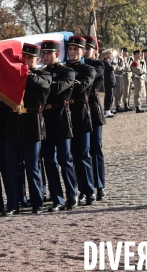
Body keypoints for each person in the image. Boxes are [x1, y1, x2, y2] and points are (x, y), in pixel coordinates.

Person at [3, 43, 51, 216]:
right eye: (24, 56)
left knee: (32, 167)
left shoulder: (43, 74)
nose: (26, 60)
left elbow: (42, 85)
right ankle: (13, 204)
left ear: (37, 59)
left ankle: (37, 203)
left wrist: (24, 71)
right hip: (13, 123)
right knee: (12, 167)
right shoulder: (15, 75)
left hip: (32, 123)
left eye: (30, 57)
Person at [41, 40, 78, 211]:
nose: (45, 56)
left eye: (48, 53)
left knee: (65, 160)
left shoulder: (67, 71)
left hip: (61, 118)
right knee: (49, 161)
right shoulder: (41, 72)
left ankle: (72, 194)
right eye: (43, 53)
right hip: (46, 119)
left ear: (57, 54)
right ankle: (57, 199)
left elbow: (57, 89)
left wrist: (43, 84)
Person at [65, 36, 97, 206]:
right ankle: (76, 190)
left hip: (81, 114)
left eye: (76, 49)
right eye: (70, 49)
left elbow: (83, 86)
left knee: (83, 155)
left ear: (83, 52)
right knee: (69, 156)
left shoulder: (88, 69)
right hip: (66, 114)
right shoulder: (63, 68)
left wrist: (66, 83)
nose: (72, 52)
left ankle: (89, 190)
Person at [83, 37, 107, 201]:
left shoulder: (98, 65)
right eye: (82, 48)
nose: (84, 51)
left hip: (93, 109)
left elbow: (92, 76)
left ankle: (99, 186)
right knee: (81, 152)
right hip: (79, 111)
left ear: (94, 50)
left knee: (95, 149)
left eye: (88, 48)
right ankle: (85, 187)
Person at [101, 48, 117, 118]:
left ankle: (109, 110)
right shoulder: (105, 62)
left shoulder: (108, 61)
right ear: (105, 55)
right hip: (108, 81)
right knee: (109, 97)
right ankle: (107, 110)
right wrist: (113, 63)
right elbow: (111, 69)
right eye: (109, 54)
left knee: (111, 96)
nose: (110, 55)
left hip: (111, 81)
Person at [113, 48, 125, 112]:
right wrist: (119, 68)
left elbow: (123, 67)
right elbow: (115, 68)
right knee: (117, 91)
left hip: (121, 75)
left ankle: (119, 104)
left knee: (121, 91)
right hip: (116, 76)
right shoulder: (114, 58)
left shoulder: (121, 59)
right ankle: (117, 105)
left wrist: (120, 68)